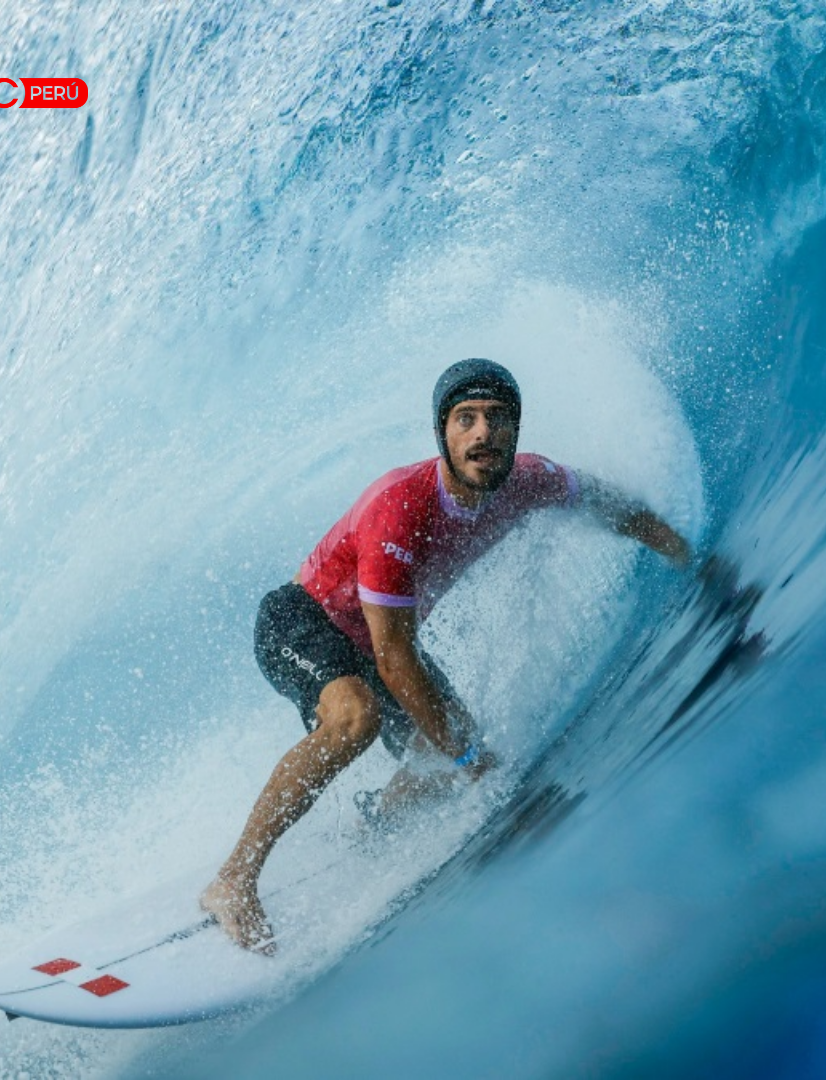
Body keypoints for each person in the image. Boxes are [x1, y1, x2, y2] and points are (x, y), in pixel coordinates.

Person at [200, 358, 691, 954]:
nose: (483, 432)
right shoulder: (399, 507)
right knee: (359, 718)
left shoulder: (531, 480)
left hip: (381, 642)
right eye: (466, 420)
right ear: (444, 434)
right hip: (303, 621)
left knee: (445, 753)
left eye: (496, 418)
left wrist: (687, 555)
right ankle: (233, 880)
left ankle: (374, 821)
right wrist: (469, 760)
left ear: (515, 430)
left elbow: (615, 507)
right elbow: (394, 661)